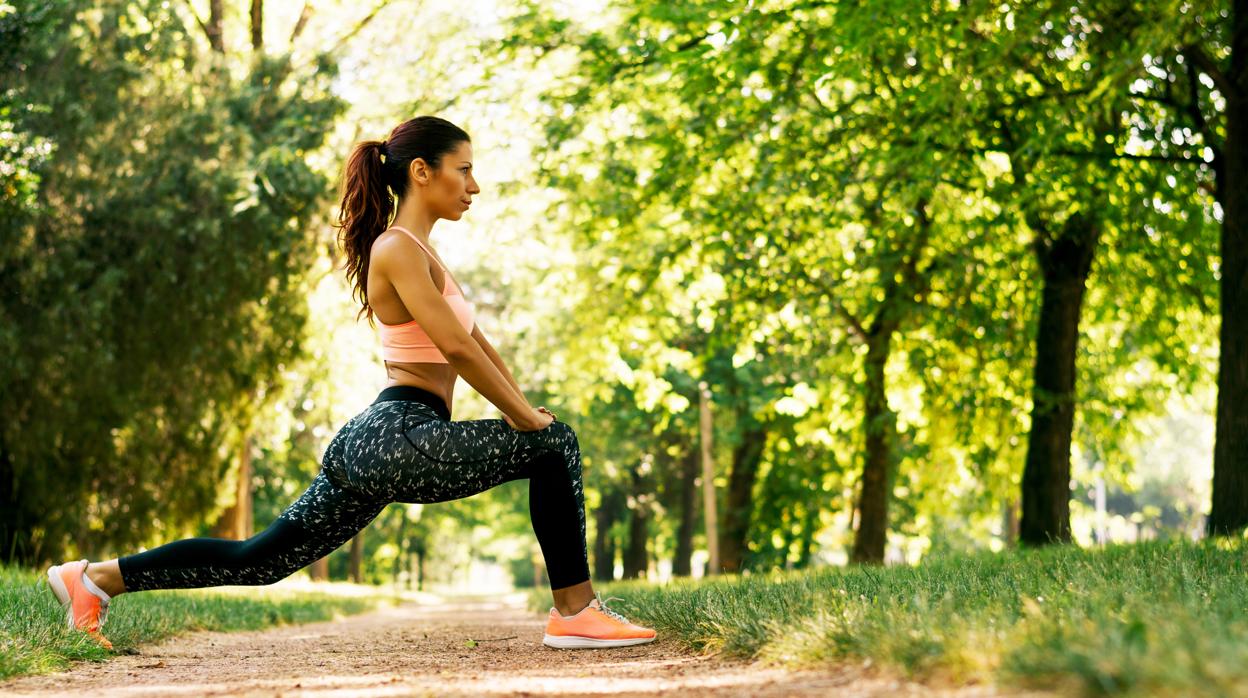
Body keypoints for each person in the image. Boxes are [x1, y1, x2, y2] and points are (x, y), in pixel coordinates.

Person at [45, 115, 656, 651]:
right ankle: (575, 613)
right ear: (422, 171)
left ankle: (95, 578)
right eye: (463, 171)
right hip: (399, 433)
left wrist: (524, 406)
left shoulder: (425, 252)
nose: (474, 186)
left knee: (262, 560)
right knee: (556, 445)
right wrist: (525, 420)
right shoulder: (397, 247)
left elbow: (479, 347)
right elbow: (454, 347)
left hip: (381, 439)